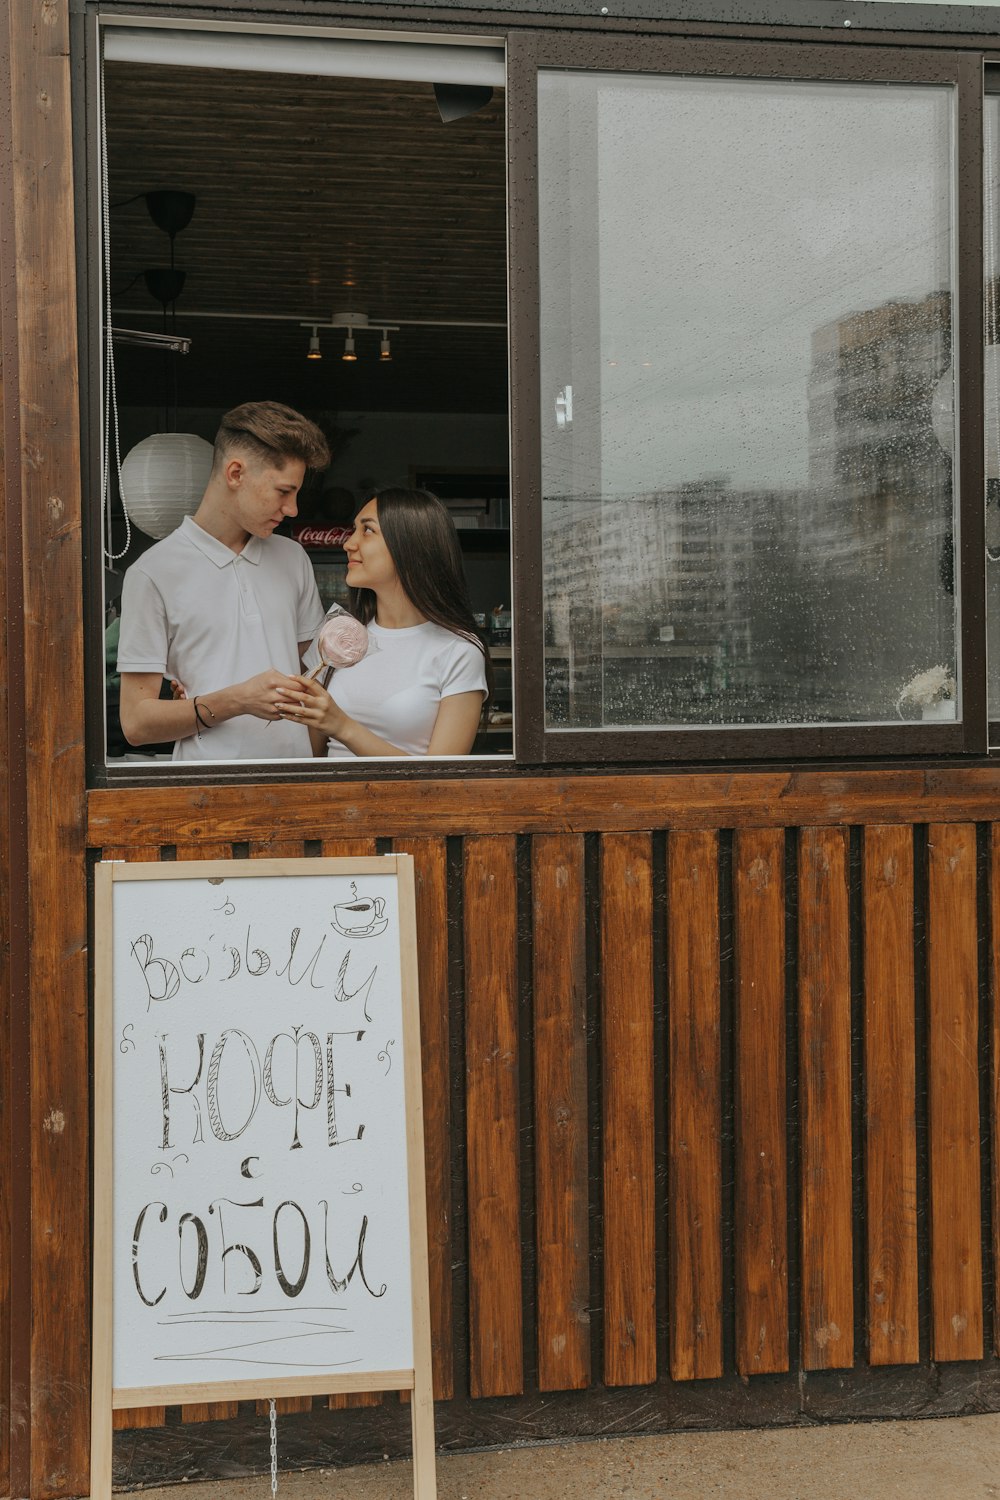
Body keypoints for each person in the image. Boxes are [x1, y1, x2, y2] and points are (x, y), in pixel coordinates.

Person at [116, 401, 330, 760]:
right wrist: (236, 700)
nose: (293, 509)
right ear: (235, 473)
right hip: (205, 794)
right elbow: (136, 723)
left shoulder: (293, 558)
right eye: (283, 491)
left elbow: (314, 683)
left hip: (297, 787)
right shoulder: (152, 573)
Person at [279, 487, 491, 757]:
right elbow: (311, 756)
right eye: (353, 530)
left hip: (400, 801)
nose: (348, 543)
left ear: (410, 544)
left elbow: (440, 780)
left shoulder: (459, 651)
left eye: (367, 531)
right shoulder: (337, 636)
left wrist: (342, 726)